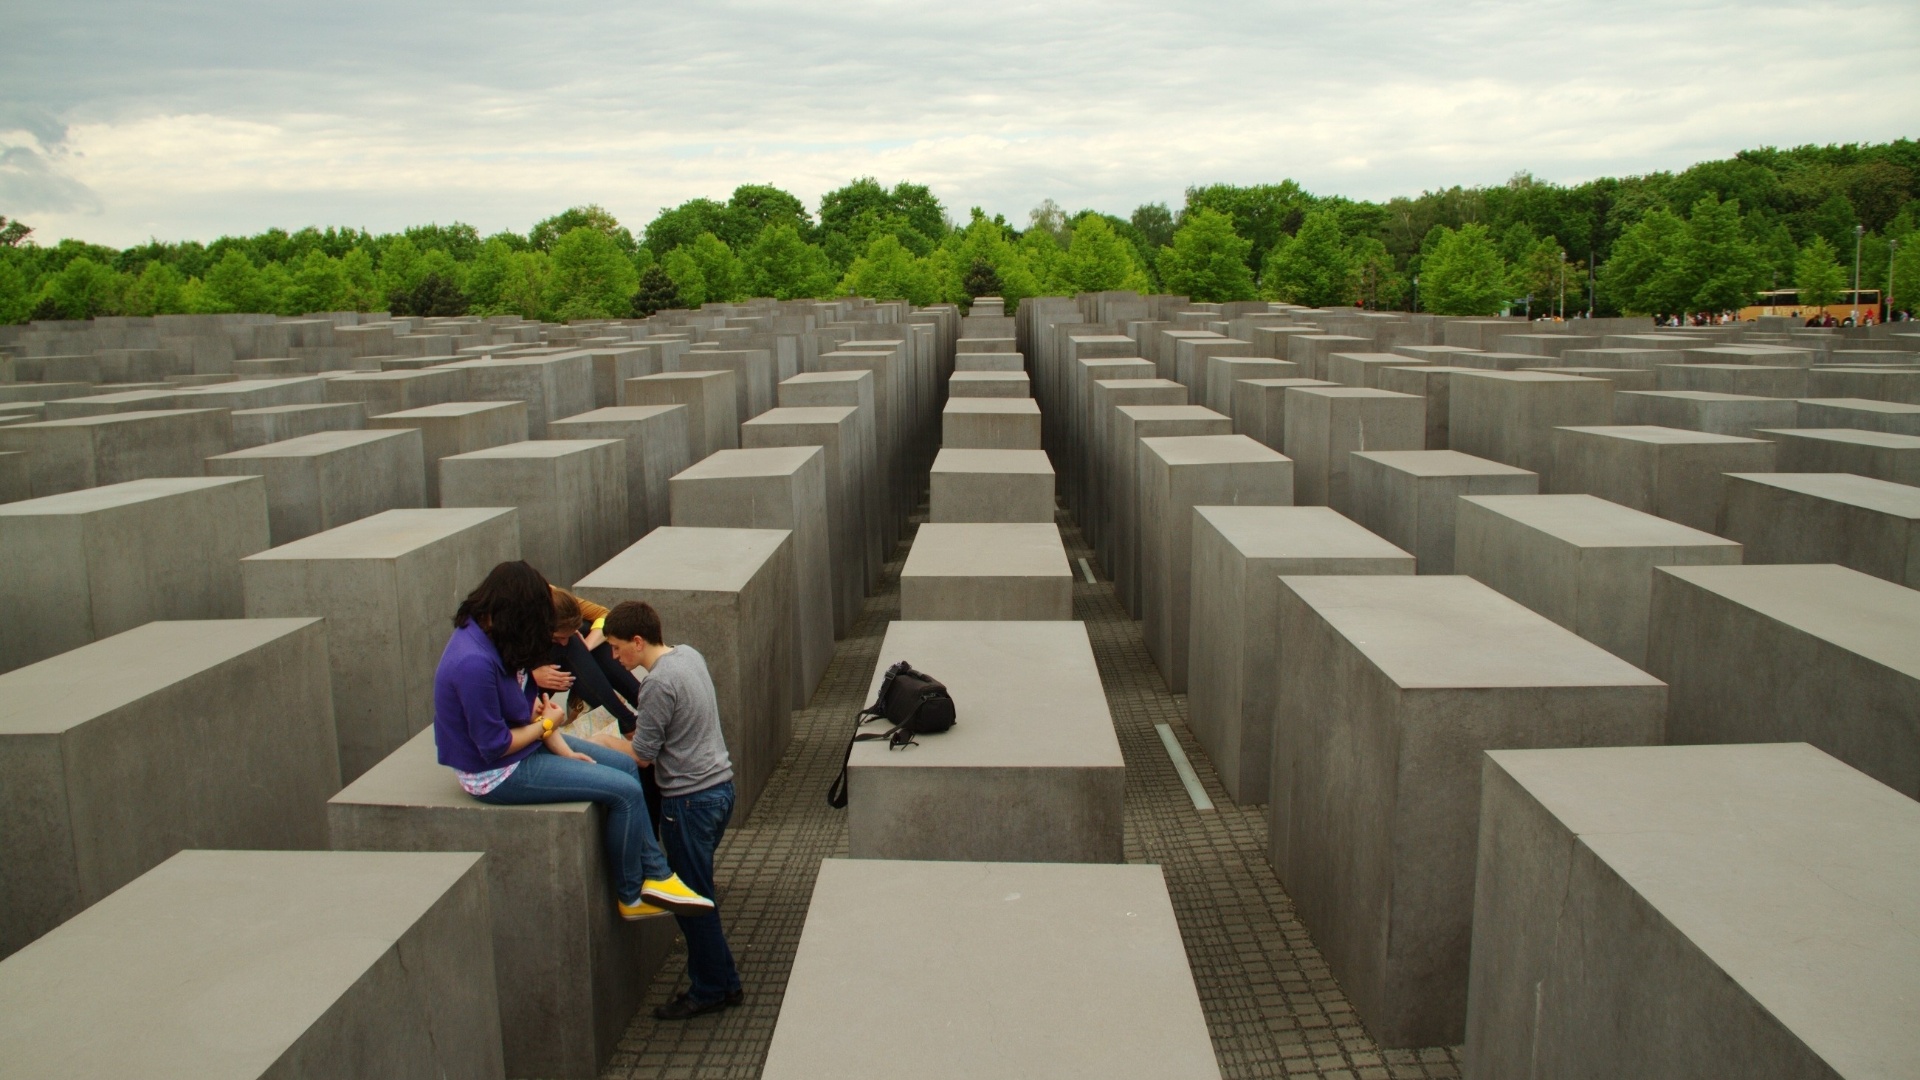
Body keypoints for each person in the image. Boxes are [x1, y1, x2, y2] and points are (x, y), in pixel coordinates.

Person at [432, 561, 712, 921]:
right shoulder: (472, 661)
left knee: (627, 765)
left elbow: (524, 710)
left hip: (530, 746)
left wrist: (562, 746)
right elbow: (494, 745)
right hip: (497, 771)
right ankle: (635, 892)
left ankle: (655, 875)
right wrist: (549, 726)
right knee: (625, 791)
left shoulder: (495, 639)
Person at [592, 600, 744, 1020]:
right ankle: (724, 981)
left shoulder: (657, 683)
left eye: (618, 648)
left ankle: (711, 989)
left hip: (688, 801)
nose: (616, 658)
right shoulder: (688, 655)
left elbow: (641, 755)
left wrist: (603, 743)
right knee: (699, 893)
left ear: (638, 641)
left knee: (691, 901)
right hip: (719, 791)